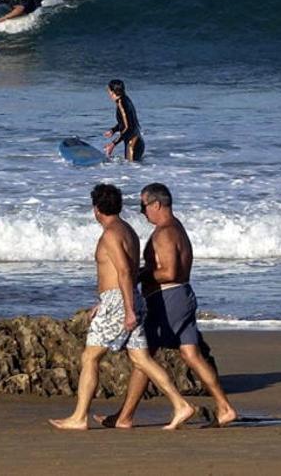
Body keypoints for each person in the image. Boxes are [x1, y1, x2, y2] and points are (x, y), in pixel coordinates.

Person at [48, 184, 196, 431]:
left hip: (121, 301)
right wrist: (109, 302)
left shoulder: (110, 234)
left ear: (96, 209)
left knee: (90, 356)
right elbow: (121, 271)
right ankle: (180, 405)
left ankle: (79, 417)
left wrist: (124, 307)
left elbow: (125, 272)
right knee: (141, 359)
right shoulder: (126, 230)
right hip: (126, 299)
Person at [96, 183, 238, 429]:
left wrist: (141, 275)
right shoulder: (177, 228)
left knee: (143, 356)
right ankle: (224, 407)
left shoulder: (164, 233)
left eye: (143, 206)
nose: (142, 212)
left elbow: (169, 271)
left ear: (156, 204)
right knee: (191, 354)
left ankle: (125, 417)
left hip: (168, 298)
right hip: (182, 295)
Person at [102, 79, 145, 162]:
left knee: (131, 172)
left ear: (112, 92)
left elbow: (127, 128)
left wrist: (113, 144)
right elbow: (126, 123)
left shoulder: (122, 104)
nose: (108, 93)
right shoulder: (125, 99)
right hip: (137, 142)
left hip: (132, 144)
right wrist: (113, 130)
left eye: (108, 90)